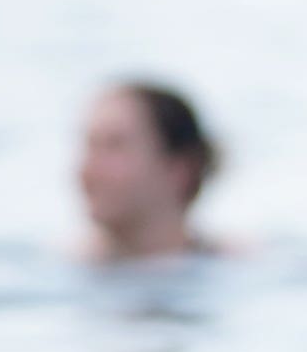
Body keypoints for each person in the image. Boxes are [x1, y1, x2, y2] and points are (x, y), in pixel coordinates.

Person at [78, 82, 222, 262]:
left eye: (115, 146)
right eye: (91, 147)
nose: (89, 170)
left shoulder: (233, 265)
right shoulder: (62, 264)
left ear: (179, 169)